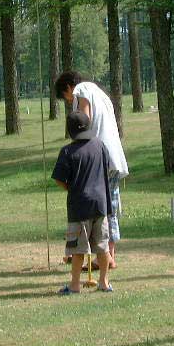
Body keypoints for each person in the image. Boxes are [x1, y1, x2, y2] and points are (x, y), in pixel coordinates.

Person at [55, 71, 128, 269]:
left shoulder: (82, 89)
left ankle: (104, 256)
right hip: (110, 154)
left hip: (98, 157)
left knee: (103, 208)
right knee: (108, 205)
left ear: (69, 88)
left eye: (66, 97)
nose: (70, 101)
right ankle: (108, 255)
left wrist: (77, 148)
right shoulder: (100, 92)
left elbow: (84, 120)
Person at [52, 111, 113, 294]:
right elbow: (108, 168)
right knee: (102, 246)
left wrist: (71, 188)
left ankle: (75, 285)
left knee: (78, 249)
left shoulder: (68, 151)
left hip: (79, 207)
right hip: (101, 204)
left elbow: (59, 179)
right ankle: (104, 282)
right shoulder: (100, 146)